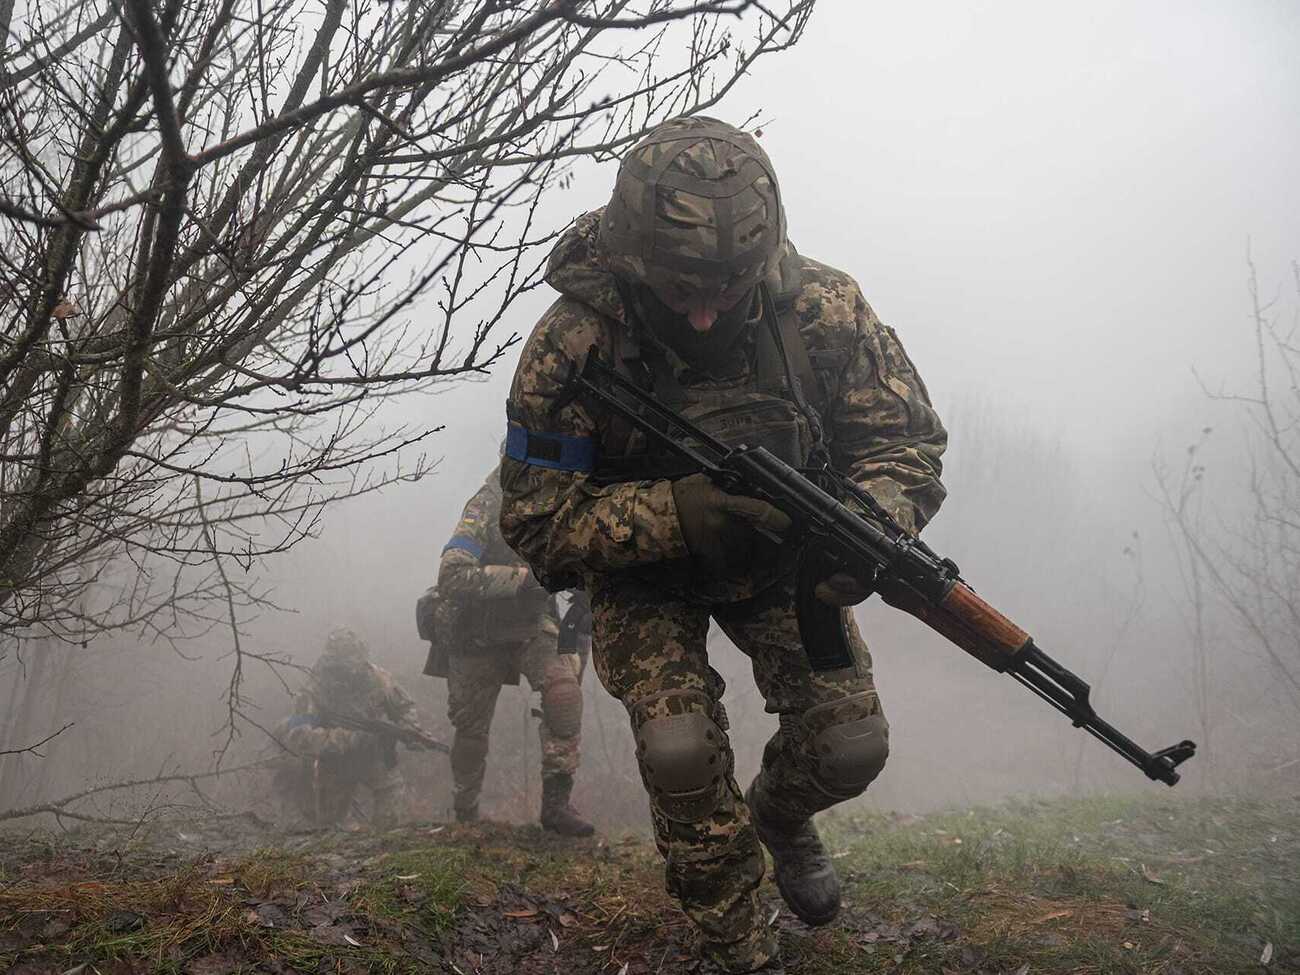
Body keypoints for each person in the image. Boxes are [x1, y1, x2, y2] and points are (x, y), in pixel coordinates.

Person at [498, 116, 947, 973]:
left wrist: (870, 523)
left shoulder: (821, 310)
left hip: (787, 559)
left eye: (730, 287)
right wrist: (676, 513)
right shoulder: (574, 345)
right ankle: (734, 939)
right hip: (647, 577)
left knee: (851, 745)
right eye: (680, 288)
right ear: (634, 263)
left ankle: (778, 816)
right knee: (679, 750)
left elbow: (906, 441)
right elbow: (537, 519)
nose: (706, 309)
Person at [436, 463, 593, 836]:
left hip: (530, 627)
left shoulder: (555, 502)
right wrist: (524, 580)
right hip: (478, 630)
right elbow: (452, 574)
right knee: (471, 730)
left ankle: (556, 808)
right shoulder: (486, 506)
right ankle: (465, 810)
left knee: (564, 695)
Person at [276, 626, 425, 828]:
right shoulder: (315, 687)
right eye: (343, 662)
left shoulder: (378, 678)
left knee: (390, 805)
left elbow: (404, 706)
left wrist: (410, 728)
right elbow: (299, 734)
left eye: (354, 660)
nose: (350, 668)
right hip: (334, 760)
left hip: (373, 754)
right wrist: (346, 739)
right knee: (329, 826)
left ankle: (384, 849)